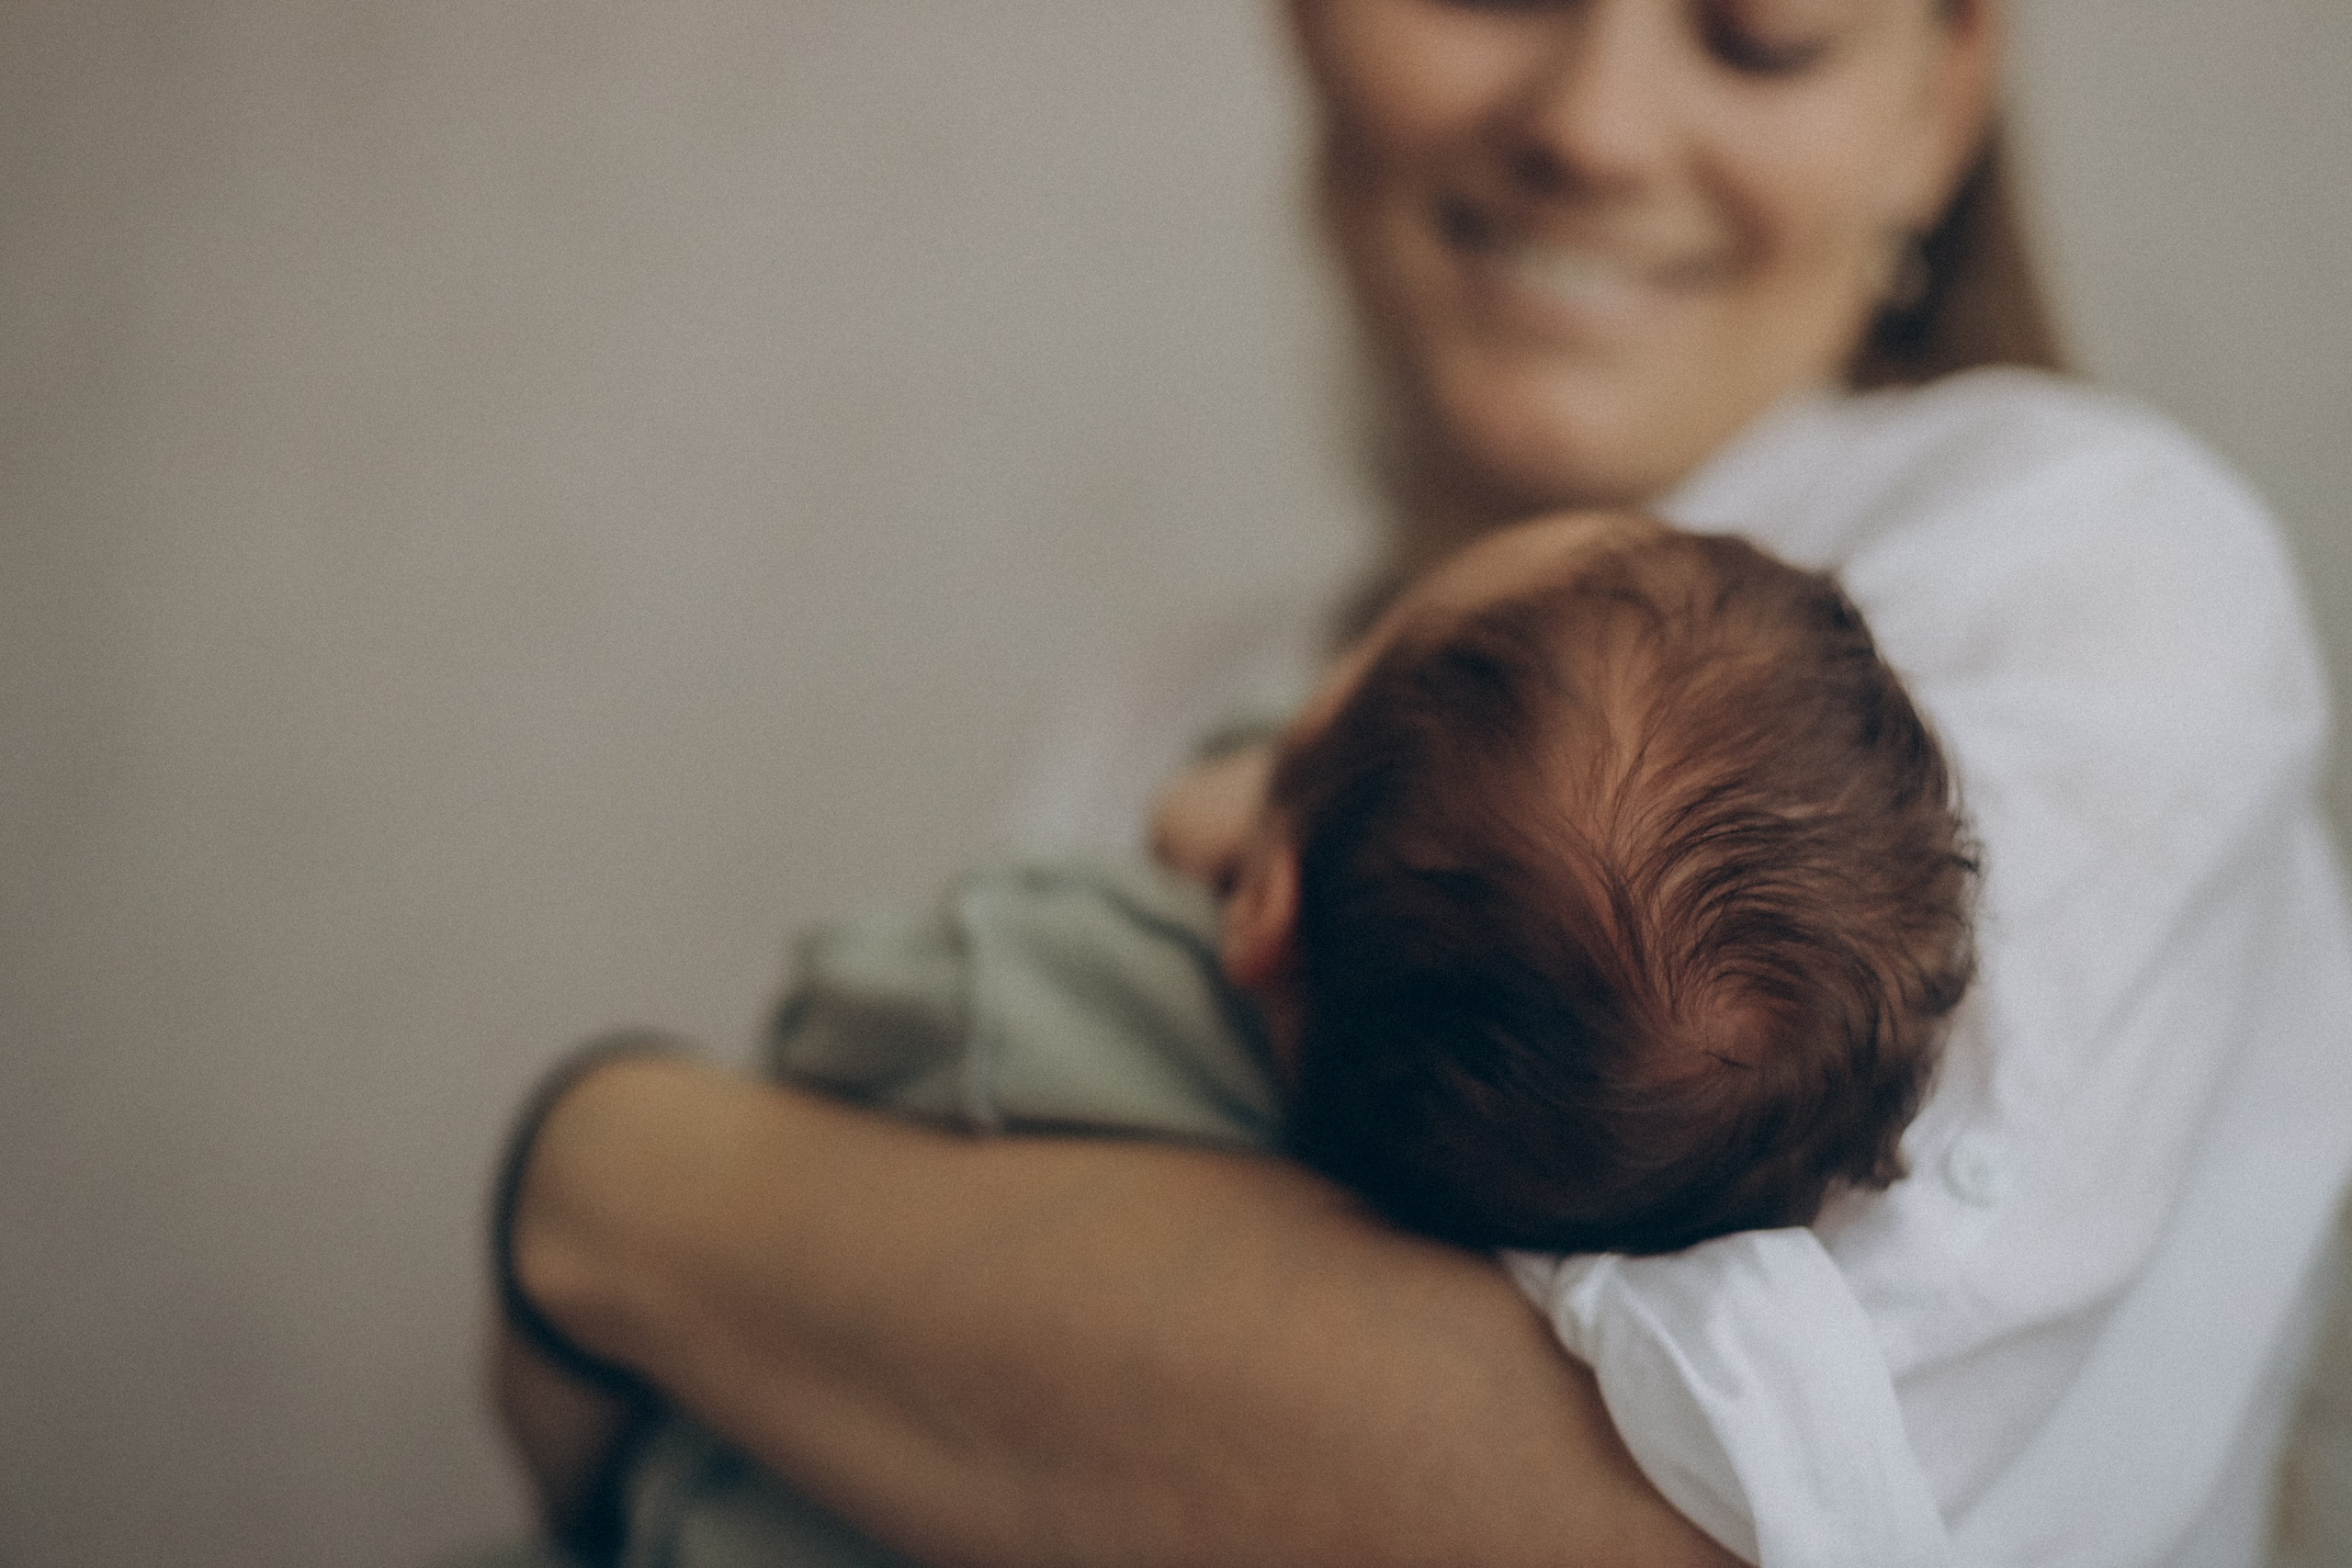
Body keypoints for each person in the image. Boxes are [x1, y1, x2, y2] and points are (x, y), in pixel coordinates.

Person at [489, 2, 2352, 1565]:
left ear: (1936, 103)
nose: (1594, 123)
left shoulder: (2079, 548)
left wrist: (615, 1171)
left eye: (1757, 33)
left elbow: (1700, 1514)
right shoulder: (1169, 693)